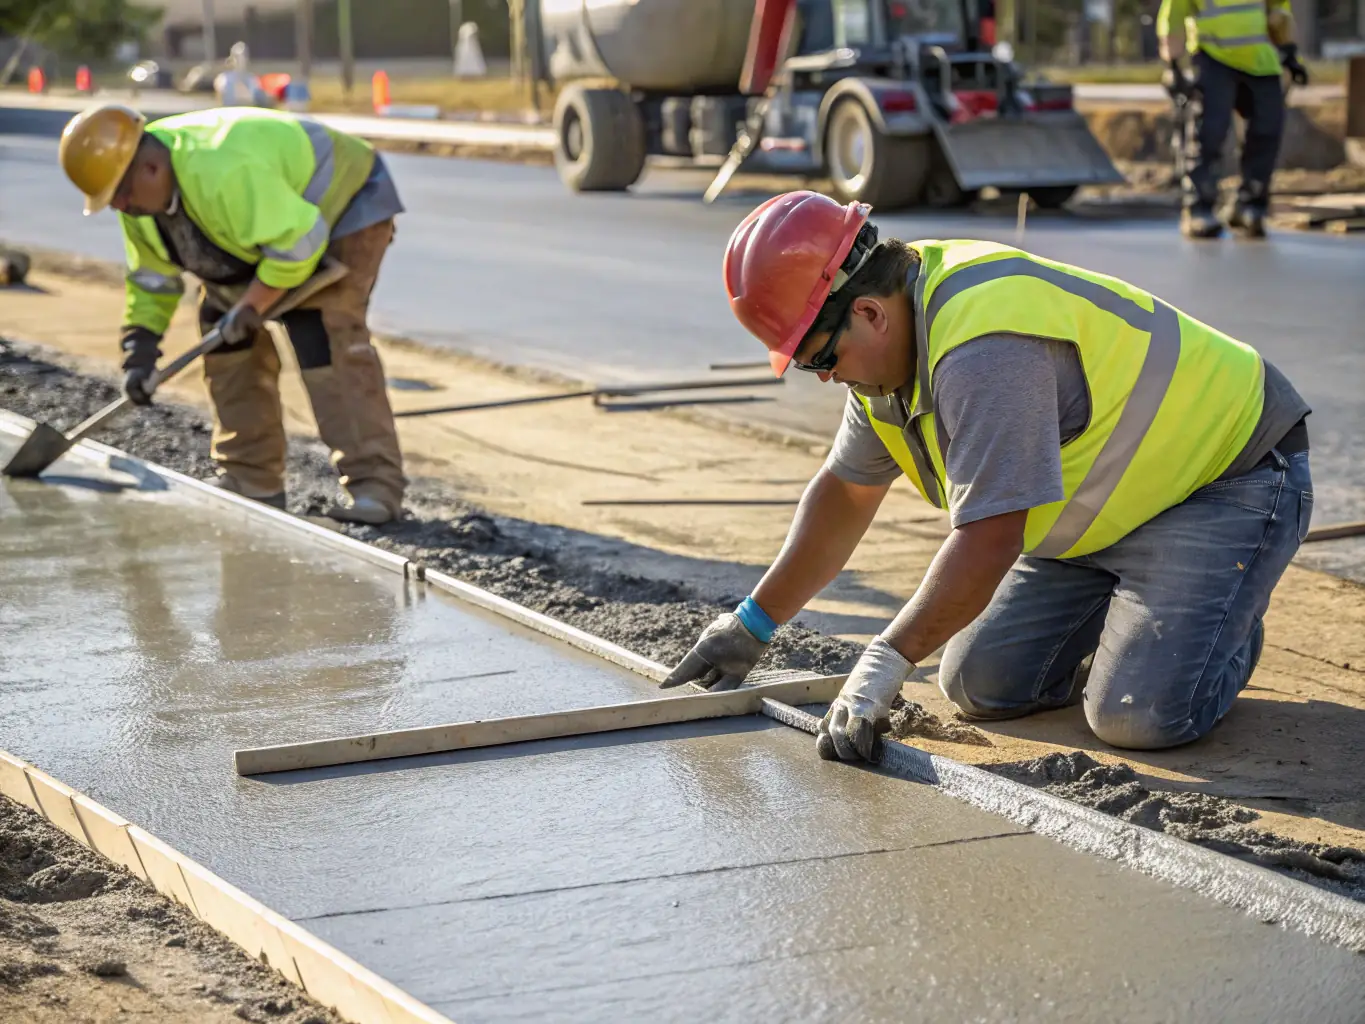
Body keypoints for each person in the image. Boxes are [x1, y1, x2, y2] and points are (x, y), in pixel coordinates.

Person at [666, 191, 1312, 764]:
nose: (827, 377)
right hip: (1098, 520)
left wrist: (881, 664)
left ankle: (1219, 627)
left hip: (1224, 479)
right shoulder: (882, 362)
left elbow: (990, 537)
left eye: (821, 359)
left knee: (1135, 718)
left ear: (867, 312)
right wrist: (750, 624)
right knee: (980, 686)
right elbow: (845, 494)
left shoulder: (984, 347)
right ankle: (1158, 615)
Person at [57, 103, 407, 524]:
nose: (120, 208)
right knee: (223, 334)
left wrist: (253, 305)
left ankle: (375, 489)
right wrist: (140, 349)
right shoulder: (139, 204)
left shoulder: (222, 169)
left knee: (321, 331)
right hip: (268, 234)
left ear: (149, 167)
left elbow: (299, 242)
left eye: (122, 196)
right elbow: (153, 279)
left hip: (344, 207)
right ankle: (251, 479)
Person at [1157, 0, 1307, 238]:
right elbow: (1172, 18)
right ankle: (1199, 209)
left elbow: (1278, 10)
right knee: (1209, 133)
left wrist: (1288, 51)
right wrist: (1173, 65)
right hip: (1213, 58)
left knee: (1267, 130)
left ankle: (1249, 206)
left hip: (1260, 60)